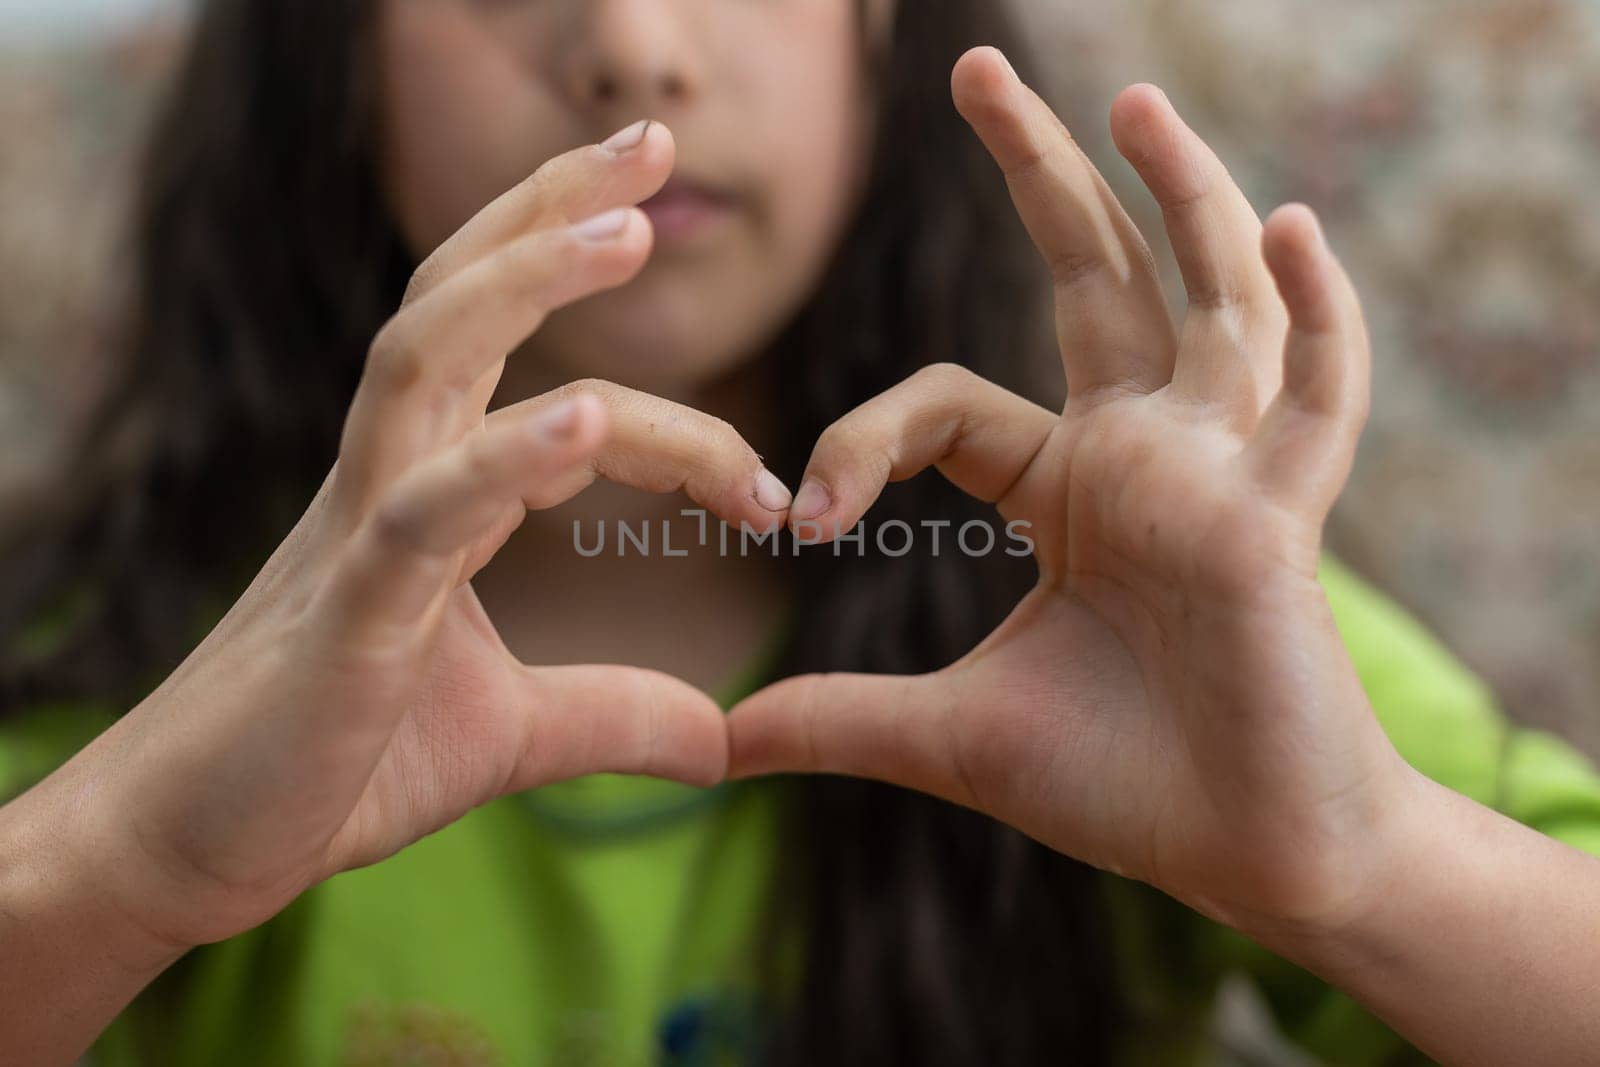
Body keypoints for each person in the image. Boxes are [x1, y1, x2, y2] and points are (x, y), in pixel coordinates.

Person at [2, 2, 1597, 1065]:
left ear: (878, 33)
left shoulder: (1159, 617)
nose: (631, 45)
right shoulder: (123, 686)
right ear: (329, 53)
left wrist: (1368, 868)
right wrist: (126, 868)